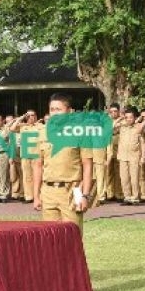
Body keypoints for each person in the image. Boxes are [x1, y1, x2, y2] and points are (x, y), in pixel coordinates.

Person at [33, 93, 93, 232]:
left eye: (58, 109)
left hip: (73, 190)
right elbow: (37, 165)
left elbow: (88, 165)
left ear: (70, 111)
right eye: (52, 109)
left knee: (73, 236)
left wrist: (85, 195)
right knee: (49, 238)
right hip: (48, 191)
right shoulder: (42, 133)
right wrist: (36, 196)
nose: (54, 113)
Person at [117, 110, 145, 205]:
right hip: (122, 156)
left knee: (134, 178)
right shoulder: (122, 127)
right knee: (124, 178)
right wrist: (120, 118)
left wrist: (143, 156)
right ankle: (127, 197)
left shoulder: (138, 128)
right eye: (127, 117)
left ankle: (135, 197)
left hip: (134, 156)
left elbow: (142, 143)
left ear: (134, 118)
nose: (129, 119)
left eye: (131, 117)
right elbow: (112, 126)